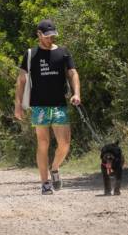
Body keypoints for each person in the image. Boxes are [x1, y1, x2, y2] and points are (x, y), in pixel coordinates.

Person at [14, 19, 81, 195]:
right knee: (43, 143)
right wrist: (18, 105)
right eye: (47, 36)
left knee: (65, 144)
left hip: (59, 105)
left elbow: (73, 73)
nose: (50, 39)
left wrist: (77, 93)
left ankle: (55, 168)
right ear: (39, 35)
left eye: (52, 36)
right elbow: (21, 80)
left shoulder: (63, 53)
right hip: (39, 107)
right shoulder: (30, 54)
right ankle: (45, 183)